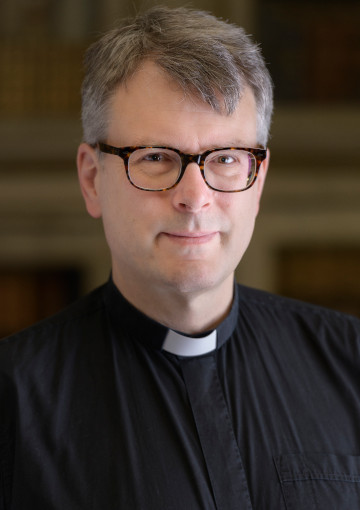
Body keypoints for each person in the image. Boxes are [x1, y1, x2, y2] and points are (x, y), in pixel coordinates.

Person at [1, 6, 360, 510]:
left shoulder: (350, 363)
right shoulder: (12, 403)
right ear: (91, 179)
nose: (195, 197)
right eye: (154, 157)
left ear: (258, 180)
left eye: (227, 158)